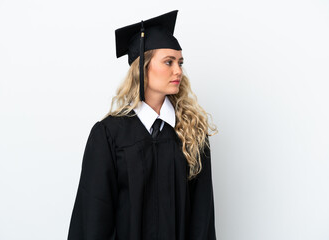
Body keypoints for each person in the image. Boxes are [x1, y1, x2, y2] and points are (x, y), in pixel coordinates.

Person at [67, 10, 218, 240]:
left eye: (180, 62)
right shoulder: (109, 135)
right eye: (168, 62)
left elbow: (202, 219)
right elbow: (94, 216)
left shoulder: (191, 132)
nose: (178, 70)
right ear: (143, 67)